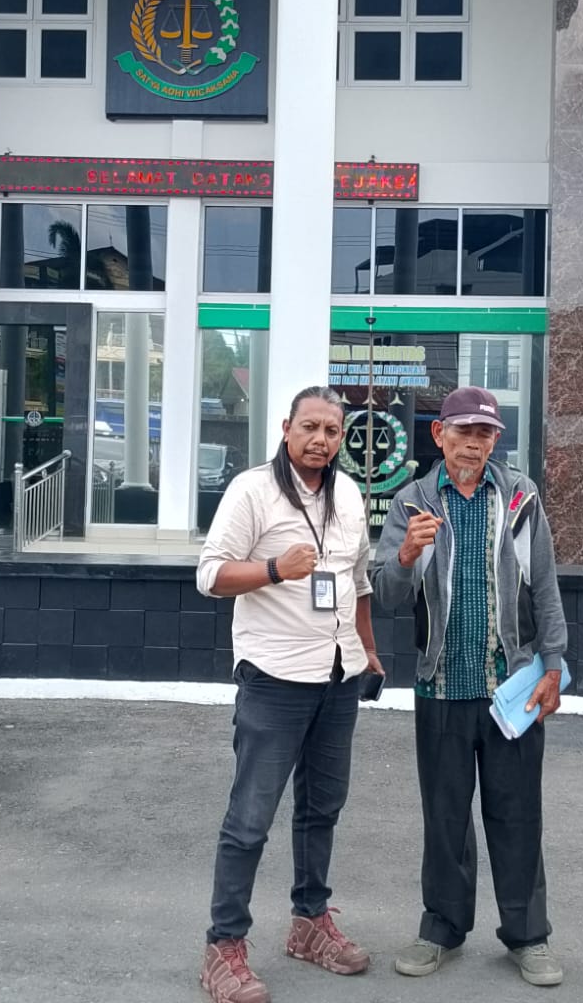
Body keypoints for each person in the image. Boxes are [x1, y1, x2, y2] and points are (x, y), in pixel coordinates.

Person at [373, 385, 570, 988]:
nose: (473, 444)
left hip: (512, 687)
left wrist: (554, 665)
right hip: (440, 688)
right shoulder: (411, 501)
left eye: (484, 434)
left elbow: (545, 583)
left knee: (518, 816)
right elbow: (385, 594)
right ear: (440, 436)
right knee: (445, 819)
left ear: (495, 441)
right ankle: (442, 927)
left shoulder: (520, 497)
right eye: (462, 432)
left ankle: (528, 936)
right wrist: (405, 556)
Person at [195, 386, 386, 1003]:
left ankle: (309, 923)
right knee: (249, 820)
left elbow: (358, 582)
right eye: (310, 427)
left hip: (338, 677)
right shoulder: (252, 490)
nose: (320, 440)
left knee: (321, 809)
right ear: (286, 428)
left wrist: (368, 651)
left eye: (332, 431)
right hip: (274, 678)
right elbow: (210, 575)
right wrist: (276, 568)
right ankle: (224, 947)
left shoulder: (349, 493)